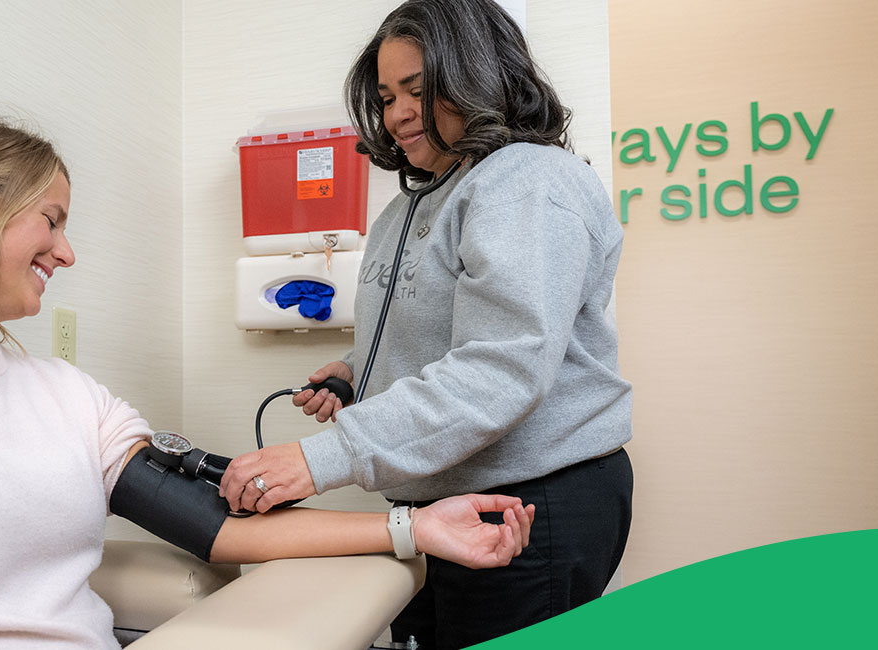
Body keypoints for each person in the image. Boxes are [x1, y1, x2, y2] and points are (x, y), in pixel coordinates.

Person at [0, 110, 536, 650]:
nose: (67, 250)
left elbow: (217, 527)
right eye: (51, 219)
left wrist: (415, 528)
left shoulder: (63, 394)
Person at [219, 1, 634, 648]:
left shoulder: (526, 184)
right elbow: (442, 333)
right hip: (438, 505)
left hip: (528, 498)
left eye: (419, 88)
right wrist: (358, 374)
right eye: (387, 96)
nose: (398, 113)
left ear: (480, 74)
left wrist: (319, 458)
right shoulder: (414, 204)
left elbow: (500, 368)